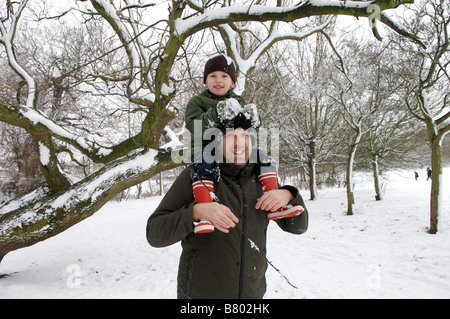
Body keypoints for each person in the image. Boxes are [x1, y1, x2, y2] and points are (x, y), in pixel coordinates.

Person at [146, 115, 309, 299]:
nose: (240, 143)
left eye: (246, 135)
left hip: (251, 296)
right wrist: (196, 212)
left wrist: (288, 194)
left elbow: (298, 227)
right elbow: (154, 233)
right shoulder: (196, 176)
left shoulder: (262, 179)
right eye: (231, 136)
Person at [184, 53, 303, 234]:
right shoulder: (197, 102)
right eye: (213, 76)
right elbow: (194, 126)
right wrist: (217, 113)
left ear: (232, 83)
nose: (218, 80)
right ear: (205, 82)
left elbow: (249, 128)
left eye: (224, 76)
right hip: (205, 148)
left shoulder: (239, 101)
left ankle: (273, 203)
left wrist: (254, 120)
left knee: (263, 158)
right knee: (203, 165)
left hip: (234, 151)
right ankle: (204, 213)